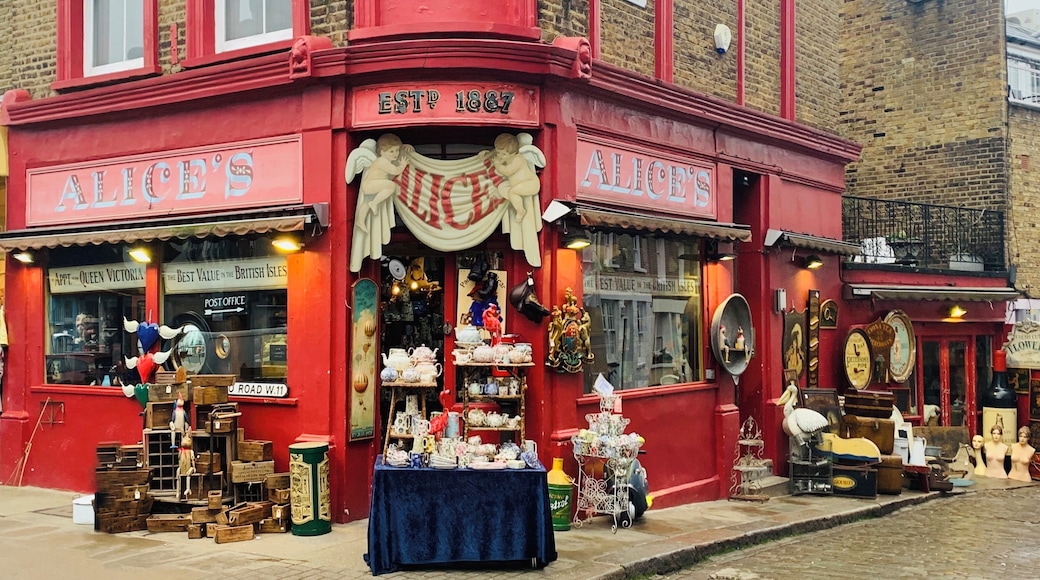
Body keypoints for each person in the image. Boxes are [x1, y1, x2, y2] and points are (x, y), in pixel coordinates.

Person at [358, 134, 412, 233]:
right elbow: (396, 171)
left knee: (365, 203)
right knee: (391, 186)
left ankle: (360, 221)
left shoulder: (385, 159)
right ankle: (374, 204)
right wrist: (403, 165)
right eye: (391, 151)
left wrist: (405, 146)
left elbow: (397, 148)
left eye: (397, 150)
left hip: (372, 185)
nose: (395, 154)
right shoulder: (383, 161)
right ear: (382, 152)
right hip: (371, 184)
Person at [484, 133, 540, 219]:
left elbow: (507, 172)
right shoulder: (508, 157)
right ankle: (515, 200)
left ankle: (521, 211)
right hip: (517, 184)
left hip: (530, 183)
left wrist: (498, 165)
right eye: (499, 153)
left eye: (503, 154)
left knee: (512, 192)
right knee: (501, 187)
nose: (500, 156)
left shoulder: (518, 159)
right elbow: (494, 156)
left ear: (513, 153)